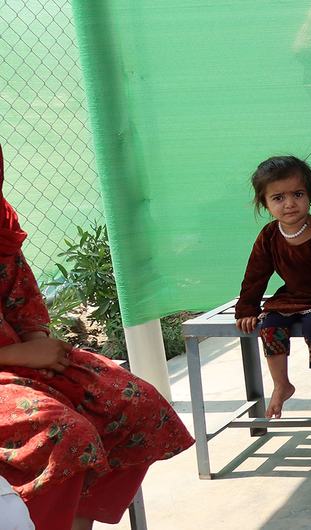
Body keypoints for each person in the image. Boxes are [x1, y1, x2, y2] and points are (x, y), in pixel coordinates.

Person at [0, 144, 193, 530]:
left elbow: (21, 297)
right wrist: (24, 354)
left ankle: (76, 521)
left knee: (137, 406)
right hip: (11, 363)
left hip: (19, 359)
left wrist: (37, 340)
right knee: (66, 434)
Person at [235, 155, 311, 418]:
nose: (290, 204)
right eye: (278, 198)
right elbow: (256, 275)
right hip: (292, 296)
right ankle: (282, 383)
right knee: (269, 327)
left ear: (310, 195)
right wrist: (246, 308)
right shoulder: (269, 235)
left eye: (298, 194)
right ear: (265, 203)